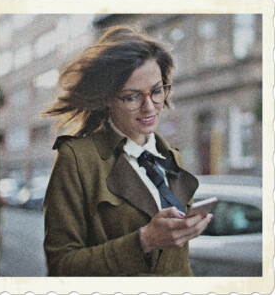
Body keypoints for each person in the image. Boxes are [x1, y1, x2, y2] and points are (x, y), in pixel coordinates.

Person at [43, 25, 213, 276]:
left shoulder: (171, 157)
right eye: (132, 97)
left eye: (156, 91)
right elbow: (61, 266)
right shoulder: (77, 159)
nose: (150, 108)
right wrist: (144, 240)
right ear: (107, 98)